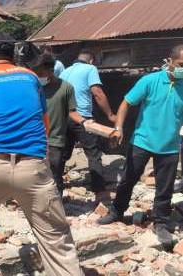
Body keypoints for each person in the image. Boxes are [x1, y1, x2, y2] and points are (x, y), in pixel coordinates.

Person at [0, 31, 83, 276]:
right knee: (56, 237)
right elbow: (44, 126)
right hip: (33, 169)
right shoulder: (31, 78)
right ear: (13, 54)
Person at [97, 45, 183, 245]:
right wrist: (119, 128)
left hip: (169, 146)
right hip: (142, 142)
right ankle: (117, 211)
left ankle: (160, 223)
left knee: (165, 188)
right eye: (181, 65)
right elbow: (126, 103)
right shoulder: (149, 81)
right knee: (128, 180)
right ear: (169, 61)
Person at [31, 53, 89, 193]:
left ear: (51, 70)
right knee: (34, 177)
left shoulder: (66, 88)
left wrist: (85, 122)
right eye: (36, 72)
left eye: (40, 72)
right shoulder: (33, 87)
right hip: (34, 139)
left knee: (55, 177)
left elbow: (72, 112)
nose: (38, 75)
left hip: (55, 141)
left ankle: (56, 209)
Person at [59, 50, 116, 192]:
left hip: (63, 117)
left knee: (63, 153)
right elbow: (97, 92)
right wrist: (110, 114)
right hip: (82, 117)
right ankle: (98, 188)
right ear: (91, 61)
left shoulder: (65, 72)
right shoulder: (90, 68)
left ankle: (56, 184)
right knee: (93, 153)